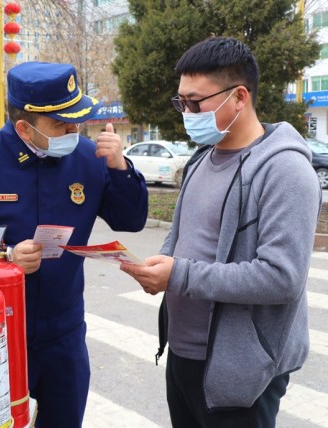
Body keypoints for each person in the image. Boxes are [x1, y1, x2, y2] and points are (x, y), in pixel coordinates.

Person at [120, 37, 323, 427]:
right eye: (180, 102)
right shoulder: (201, 159)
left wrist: (178, 274)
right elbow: (179, 236)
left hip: (241, 370)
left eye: (196, 102)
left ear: (239, 97)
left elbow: (281, 277)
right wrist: (159, 271)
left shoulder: (285, 171)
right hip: (183, 355)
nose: (186, 112)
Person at [0, 61, 149, 427]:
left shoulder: (87, 156)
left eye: (76, 120)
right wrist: (3, 256)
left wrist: (120, 167)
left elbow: (130, 219)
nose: (73, 129)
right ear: (24, 127)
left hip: (62, 333)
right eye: (61, 124)